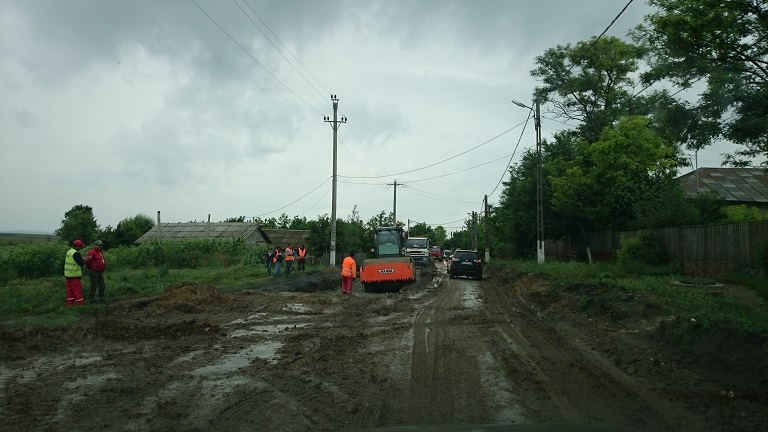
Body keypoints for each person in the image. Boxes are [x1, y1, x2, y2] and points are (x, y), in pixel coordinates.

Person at [63, 239, 86, 306]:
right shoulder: (76, 253)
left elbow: (73, 260)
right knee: (77, 290)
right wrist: (84, 260)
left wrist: (81, 259)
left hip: (68, 275)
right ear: (77, 246)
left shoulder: (69, 251)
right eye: (80, 246)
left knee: (70, 291)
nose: (81, 248)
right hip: (74, 275)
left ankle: (69, 304)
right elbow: (81, 263)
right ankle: (80, 304)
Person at [84, 240, 107, 304]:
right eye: (99, 245)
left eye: (101, 245)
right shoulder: (92, 252)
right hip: (94, 271)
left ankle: (101, 298)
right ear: (95, 245)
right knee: (93, 286)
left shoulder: (100, 252)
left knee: (102, 285)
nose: (100, 246)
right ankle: (91, 299)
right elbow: (88, 262)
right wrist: (91, 268)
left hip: (100, 271)